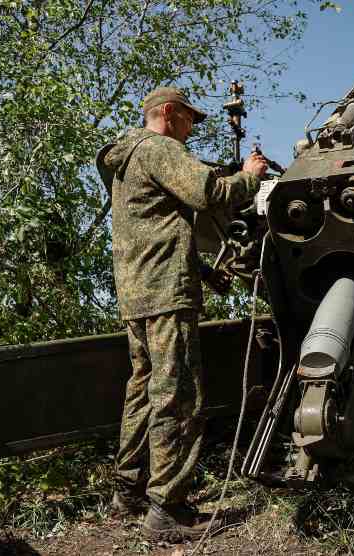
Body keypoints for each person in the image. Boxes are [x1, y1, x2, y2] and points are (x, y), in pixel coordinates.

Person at [100, 86, 267, 542]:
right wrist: (251, 176)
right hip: (166, 297)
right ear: (168, 114)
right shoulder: (158, 147)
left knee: (142, 394)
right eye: (189, 119)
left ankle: (129, 494)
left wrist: (203, 273)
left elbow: (152, 231)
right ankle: (166, 509)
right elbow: (208, 190)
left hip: (137, 295)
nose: (192, 129)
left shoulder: (127, 158)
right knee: (177, 396)